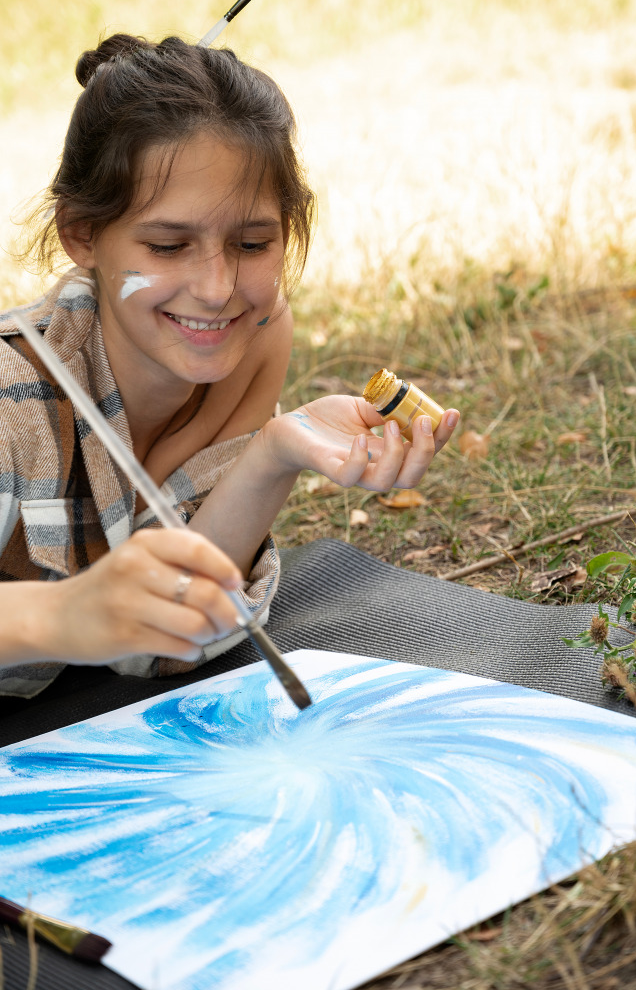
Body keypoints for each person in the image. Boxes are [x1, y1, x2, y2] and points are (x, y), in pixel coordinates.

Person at [0, 34, 459, 697]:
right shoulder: (14, 400)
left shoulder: (255, 339)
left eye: (251, 242)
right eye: (167, 244)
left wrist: (274, 453)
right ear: (82, 236)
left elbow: (169, 634)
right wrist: (61, 616)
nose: (217, 287)